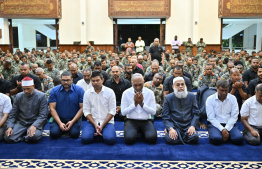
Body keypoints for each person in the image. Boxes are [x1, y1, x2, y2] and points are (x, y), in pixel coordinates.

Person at [4, 77, 48, 143]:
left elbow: (43, 115)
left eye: (28, 89)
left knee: (33, 137)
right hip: (21, 122)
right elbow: (13, 114)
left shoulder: (41, 96)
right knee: (8, 137)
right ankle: (25, 135)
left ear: (33, 86)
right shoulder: (19, 96)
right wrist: (10, 126)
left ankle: (25, 135)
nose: (26, 91)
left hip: (34, 122)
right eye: (24, 89)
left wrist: (34, 126)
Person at [81, 71, 117, 145]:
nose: (95, 83)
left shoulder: (110, 92)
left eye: (97, 80)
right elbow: (86, 111)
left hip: (107, 122)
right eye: (93, 81)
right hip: (92, 122)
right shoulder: (87, 93)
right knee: (85, 139)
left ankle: (99, 131)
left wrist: (102, 125)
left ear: (102, 80)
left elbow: (112, 111)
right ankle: (97, 130)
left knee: (110, 140)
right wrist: (95, 124)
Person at [121, 73, 157, 144]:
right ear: (131, 83)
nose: (138, 87)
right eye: (135, 85)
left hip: (146, 120)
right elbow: (123, 113)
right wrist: (135, 104)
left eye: (140, 84)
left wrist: (142, 104)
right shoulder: (126, 93)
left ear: (143, 82)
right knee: (129, 140)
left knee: (152, 139)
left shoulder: (150, 93)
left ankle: (141, 131)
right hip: (131, 120)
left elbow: (153, 112)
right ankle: (137, 131)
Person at [162, 77, 199, 144]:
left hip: (188, 125)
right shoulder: (168, 98)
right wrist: (170, 128)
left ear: (185, 85)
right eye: (178, 85)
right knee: (171, 140)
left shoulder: (191, 96)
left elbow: (196, 114)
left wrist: (192, 126)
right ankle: (172, 133)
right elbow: (165, 116)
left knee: (195, 138)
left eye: (182, 84)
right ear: (173, 86)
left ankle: (182, 137)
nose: (181, 86)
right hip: (175, 126)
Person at [206, 80, 243, 145]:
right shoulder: (210, 99)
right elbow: (211, 118)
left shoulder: (233, 98)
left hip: (229, 123)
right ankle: (225, 135)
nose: (224, 93)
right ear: (217, 89)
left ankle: (225, 135)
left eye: (226, 90)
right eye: (221, 90)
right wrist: (222, 130)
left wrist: (226, 129)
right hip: (215, 124)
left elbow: (234, 116)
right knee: (216, 138)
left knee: (239, 139)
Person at [49, 71, 85, 139]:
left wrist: (72, 122)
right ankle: (61, 127)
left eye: (68, 80)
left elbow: (82, 108)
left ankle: (67, 128)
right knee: (54, 134)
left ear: (72, 80)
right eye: (63, 80)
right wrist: (59, 123)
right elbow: (52, 109)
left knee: (74, 135)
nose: (65, 82)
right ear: (61, 80)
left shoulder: (79, 90)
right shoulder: (54, 90)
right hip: (59, 118)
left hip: (74, 119)